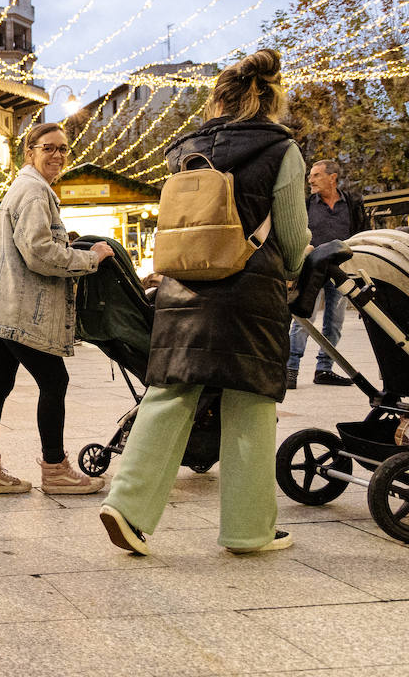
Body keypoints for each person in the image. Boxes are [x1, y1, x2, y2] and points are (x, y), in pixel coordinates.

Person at [100, 49, 310, 556]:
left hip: (182, 287)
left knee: (169, 392)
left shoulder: (183, 150)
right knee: (250, 403)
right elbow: (291, 231)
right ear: (271, 96)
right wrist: (297, 269)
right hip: (249, 287)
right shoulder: (282, 149)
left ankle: (126, 507)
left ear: (219, 96)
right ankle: (247, 529)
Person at [0, 122, 113, 496]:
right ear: (30, 151)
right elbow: (39, 252)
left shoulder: (25, 188)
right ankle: (55, 469)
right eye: (49, 148)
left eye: (63, 149)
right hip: (16, 309)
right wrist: (89, 258)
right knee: (54, 381)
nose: (58, 155)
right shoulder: (33, 192)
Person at [286, 158, 367, 389]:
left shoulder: (352, 203)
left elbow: (361, 233)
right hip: (311, 268)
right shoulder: (306, 205)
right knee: (304, 320)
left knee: (335, 322)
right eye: (310, 175)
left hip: (341, 271)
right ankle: (290, 371)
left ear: (332, 177)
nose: (310, 180)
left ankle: (324, 370)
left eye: (316, 175)